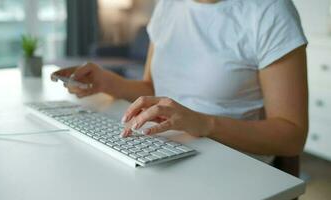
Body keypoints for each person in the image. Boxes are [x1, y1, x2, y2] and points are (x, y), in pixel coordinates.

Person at [52, 0, 308, 162]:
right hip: (163, 149)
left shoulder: (270, 11)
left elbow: (291, 136)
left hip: (234, 162)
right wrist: (106, 82)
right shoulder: (168, 5)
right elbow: (154, 89)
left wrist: (204, 123)